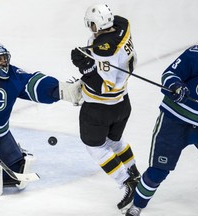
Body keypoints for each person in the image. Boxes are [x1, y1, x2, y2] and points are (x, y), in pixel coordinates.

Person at [126, 32, 198, 216]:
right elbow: (170, 74)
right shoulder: (196, 54)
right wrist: (176, 86)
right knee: (158, 171)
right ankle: (136, 206)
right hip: (174, 121)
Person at [0, 42, 82, 189]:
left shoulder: (14, 75)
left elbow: (32, 83)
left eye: (5, 58)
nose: (4, 62)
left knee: (14, 172)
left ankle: (13, 152)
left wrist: (60, 90)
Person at [70, 4, 140, 210]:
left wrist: (85, 67)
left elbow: (104, 86)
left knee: (96, 147)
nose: (90, 28)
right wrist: (89, 53)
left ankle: (127, 182)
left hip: (100, 109)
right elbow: (103, 45)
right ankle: (134, 172)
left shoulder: (105, 51)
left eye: (92, 24)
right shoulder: (122, 26)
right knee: (115, 141)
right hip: (123, 104)